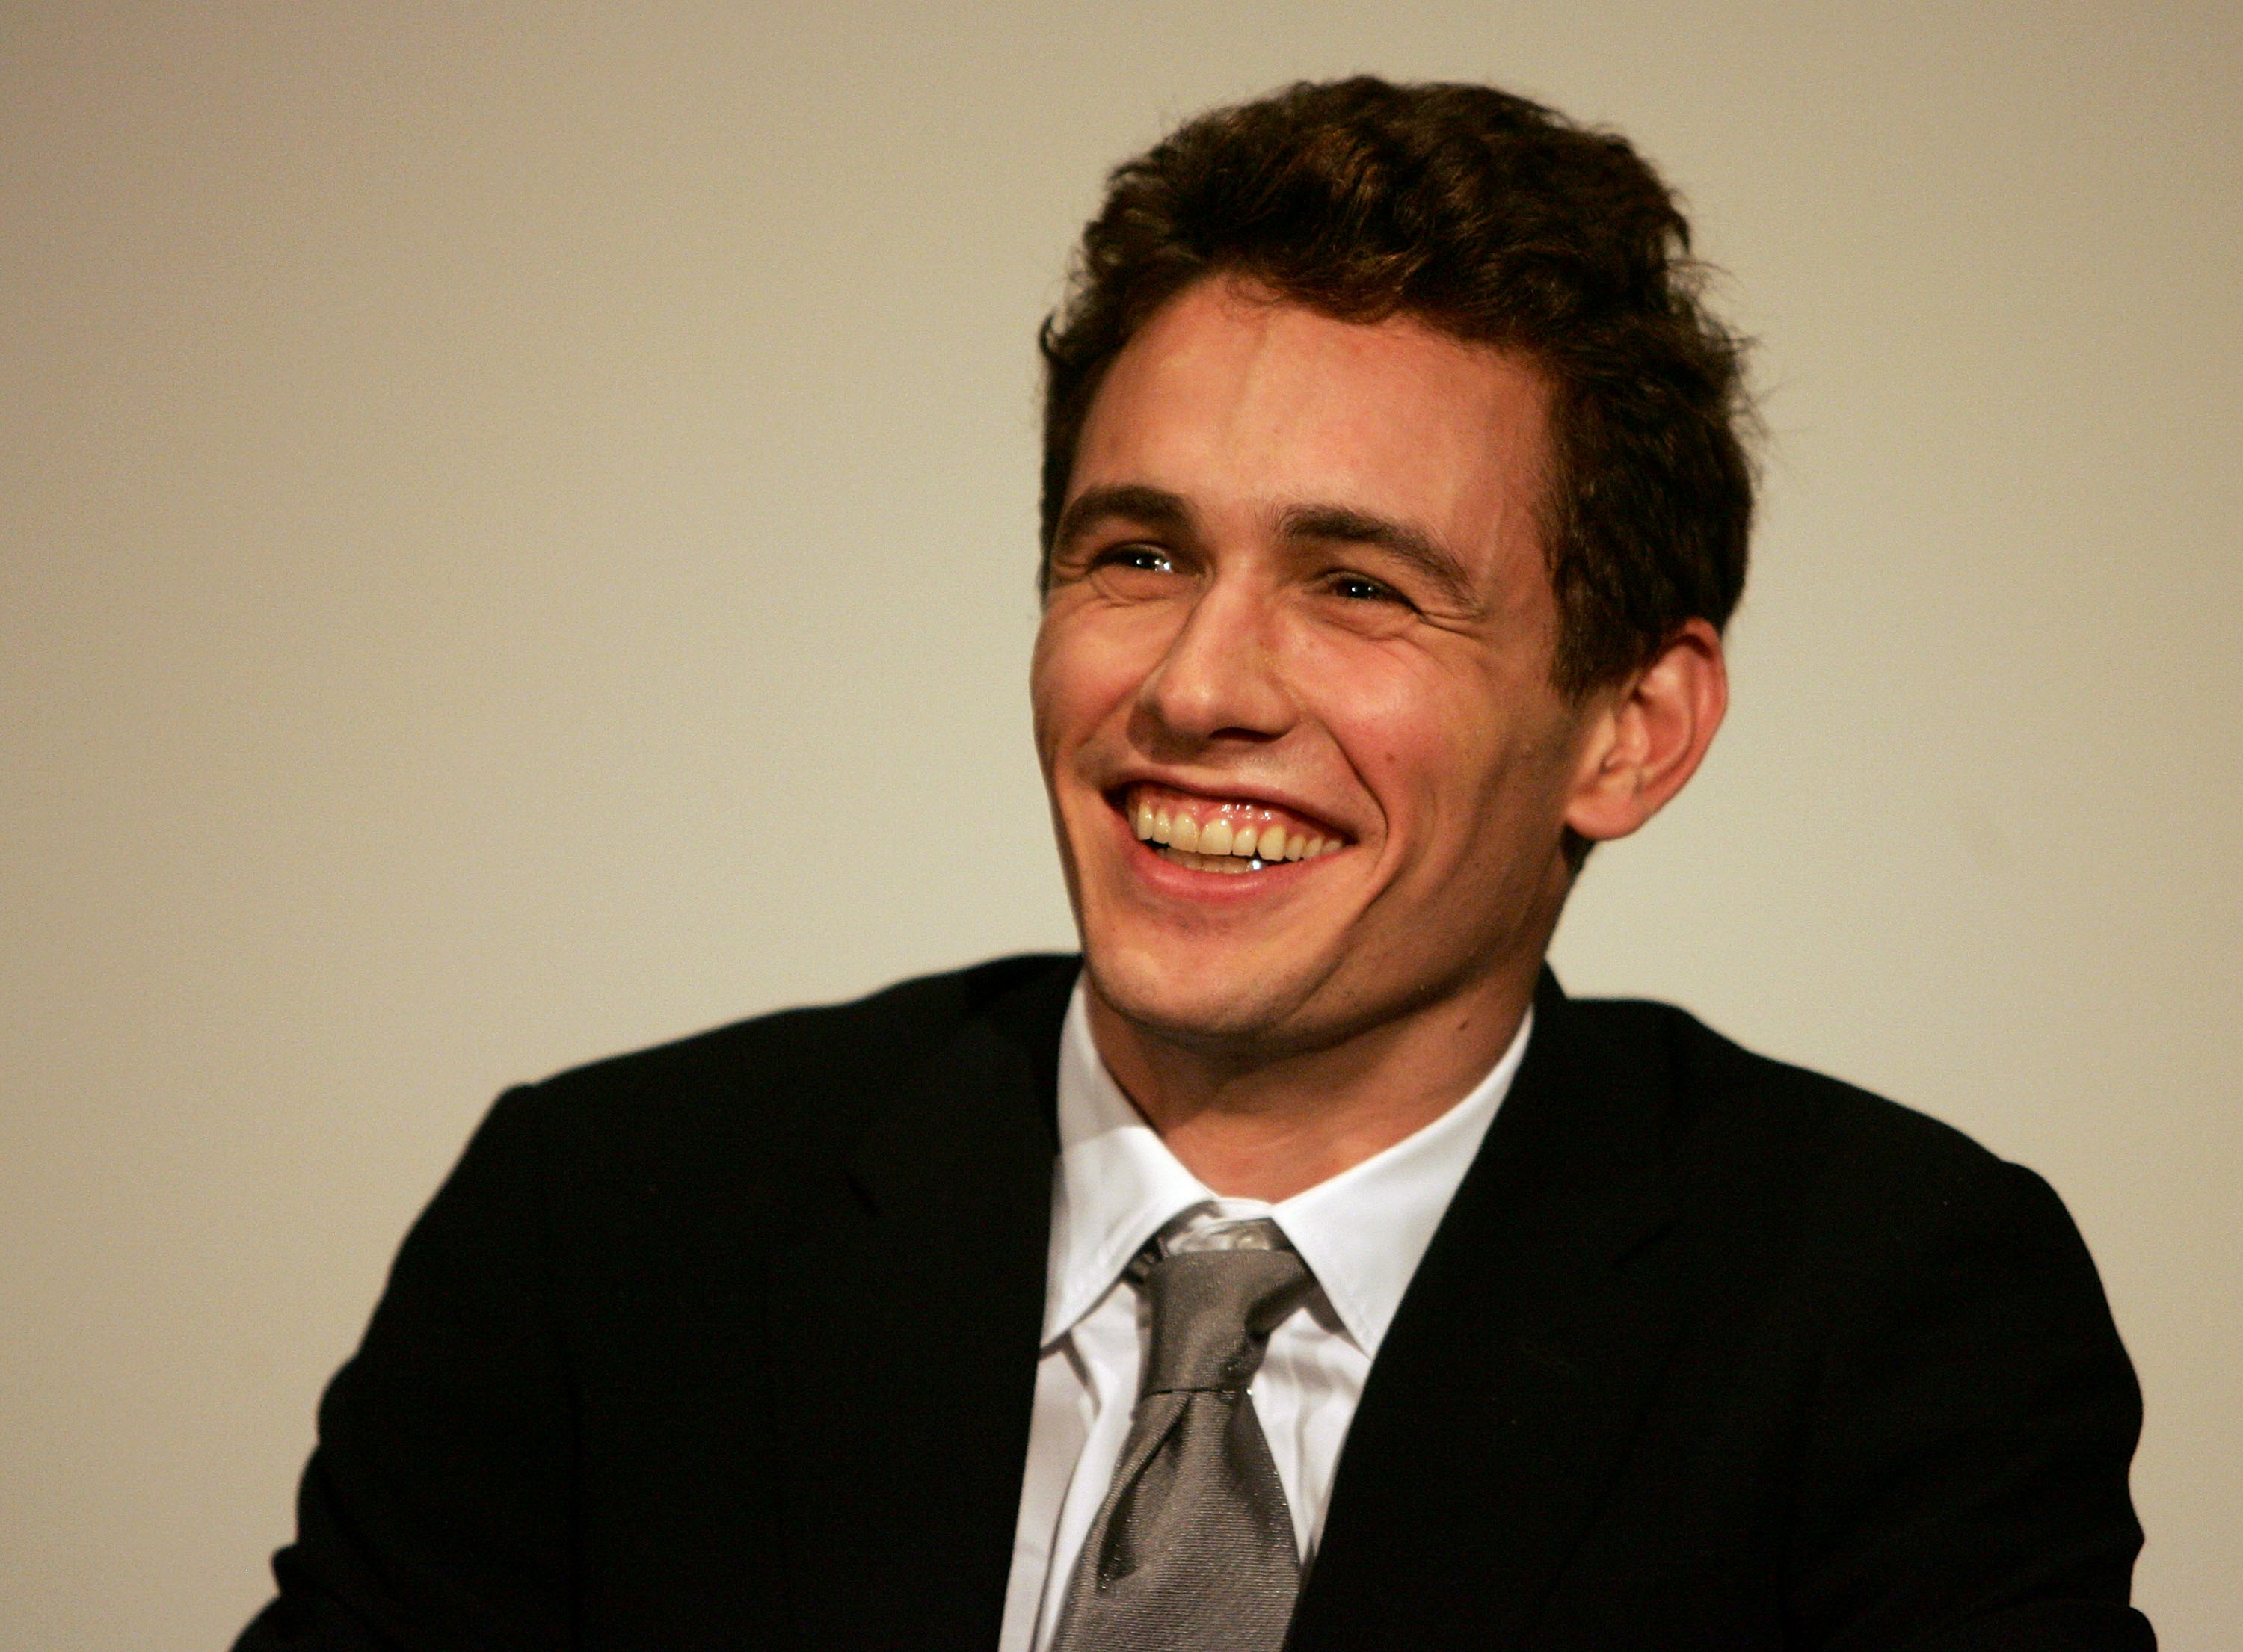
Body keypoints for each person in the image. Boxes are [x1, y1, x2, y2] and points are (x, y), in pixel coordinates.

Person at [236, 77, 2150, 1651]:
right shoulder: (606, 1228)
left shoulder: (1887, 1317)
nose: (1198, 685)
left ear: (1630, 728)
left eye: (1357, 585)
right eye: (1137, 554)